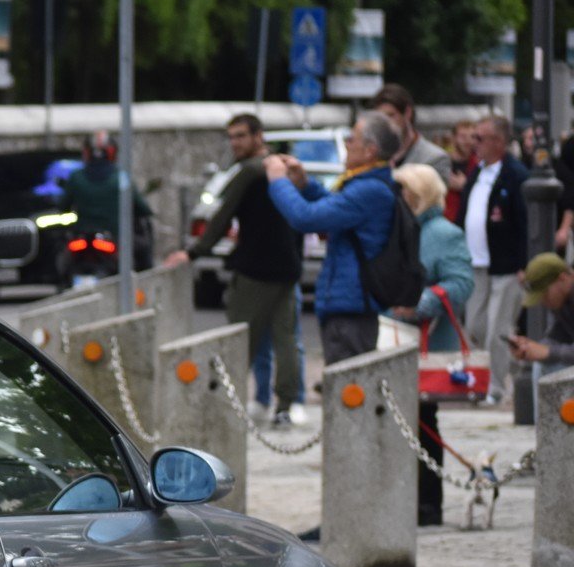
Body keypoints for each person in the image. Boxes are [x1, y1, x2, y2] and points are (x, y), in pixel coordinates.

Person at [164, 113, 306, 424]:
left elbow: (222, 216)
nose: (235, 143)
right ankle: (286, 406)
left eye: (241, 136)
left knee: (239, 342)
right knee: (286, 340)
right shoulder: (284, 168)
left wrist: (194, 252)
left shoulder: (249, 172)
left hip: (255, 268)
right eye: (231, 137)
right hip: (288, 267)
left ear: (259, 135)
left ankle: (227, 405)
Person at [265, 110, 401, 364]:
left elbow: (306, 218)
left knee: (347, 392)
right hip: (348, 303)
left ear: (370, 150)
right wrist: (305, 185)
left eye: (352, 139)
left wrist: (278, 182)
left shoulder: (369, 190)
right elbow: (335, 209)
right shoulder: (368, 185)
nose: (347, 144)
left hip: (352, 307)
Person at [392, 164, 476, 526]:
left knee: (424, 421)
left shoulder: (444, 233)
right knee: (399, 421)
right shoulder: (397, 227)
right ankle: (404, 499)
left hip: (423, 341)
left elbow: (461, 283)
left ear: (418, 193)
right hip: (391, 337)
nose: (396, 197)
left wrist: (420, 304)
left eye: (403, 191)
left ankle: (428, 505)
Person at [459, 115, 529, 404]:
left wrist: (524, 263)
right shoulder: (477, 173)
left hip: (506, 265)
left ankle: (495, 388)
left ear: (498, 142)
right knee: (474, 327)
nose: (474, 144)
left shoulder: (516, 175)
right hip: (477, 263)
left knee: (497, 331)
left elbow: (525, 223)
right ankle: (498, 369)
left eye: (480, 138)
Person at [60, 130, 153, 261]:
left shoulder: (76, 177)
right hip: (114, 239)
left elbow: (63, 206)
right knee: (144, 253)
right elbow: (143, 208)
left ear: (86, 153)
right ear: (112, 152)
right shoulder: (121, 178)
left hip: (82, 237)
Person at [506, 252, 574, 375]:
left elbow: (551, 350)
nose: (543, 301)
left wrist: (547, 352)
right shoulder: (562, 300)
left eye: (545, 294)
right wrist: (529, 347)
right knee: (541, 364)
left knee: (551, 364)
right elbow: (555, 337)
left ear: (562, 278)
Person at [370, 84, 452, 183]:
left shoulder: (435, 158)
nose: (385, 123)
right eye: (380, 118)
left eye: (391, 115)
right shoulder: (374, 155)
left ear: (408, 113)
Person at [445, 120, 479, 223]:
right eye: (463, 137)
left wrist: (466, 186)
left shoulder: (479, 164)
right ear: (454, 138)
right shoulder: (442, 163)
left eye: (472, 137)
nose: (468, 141)